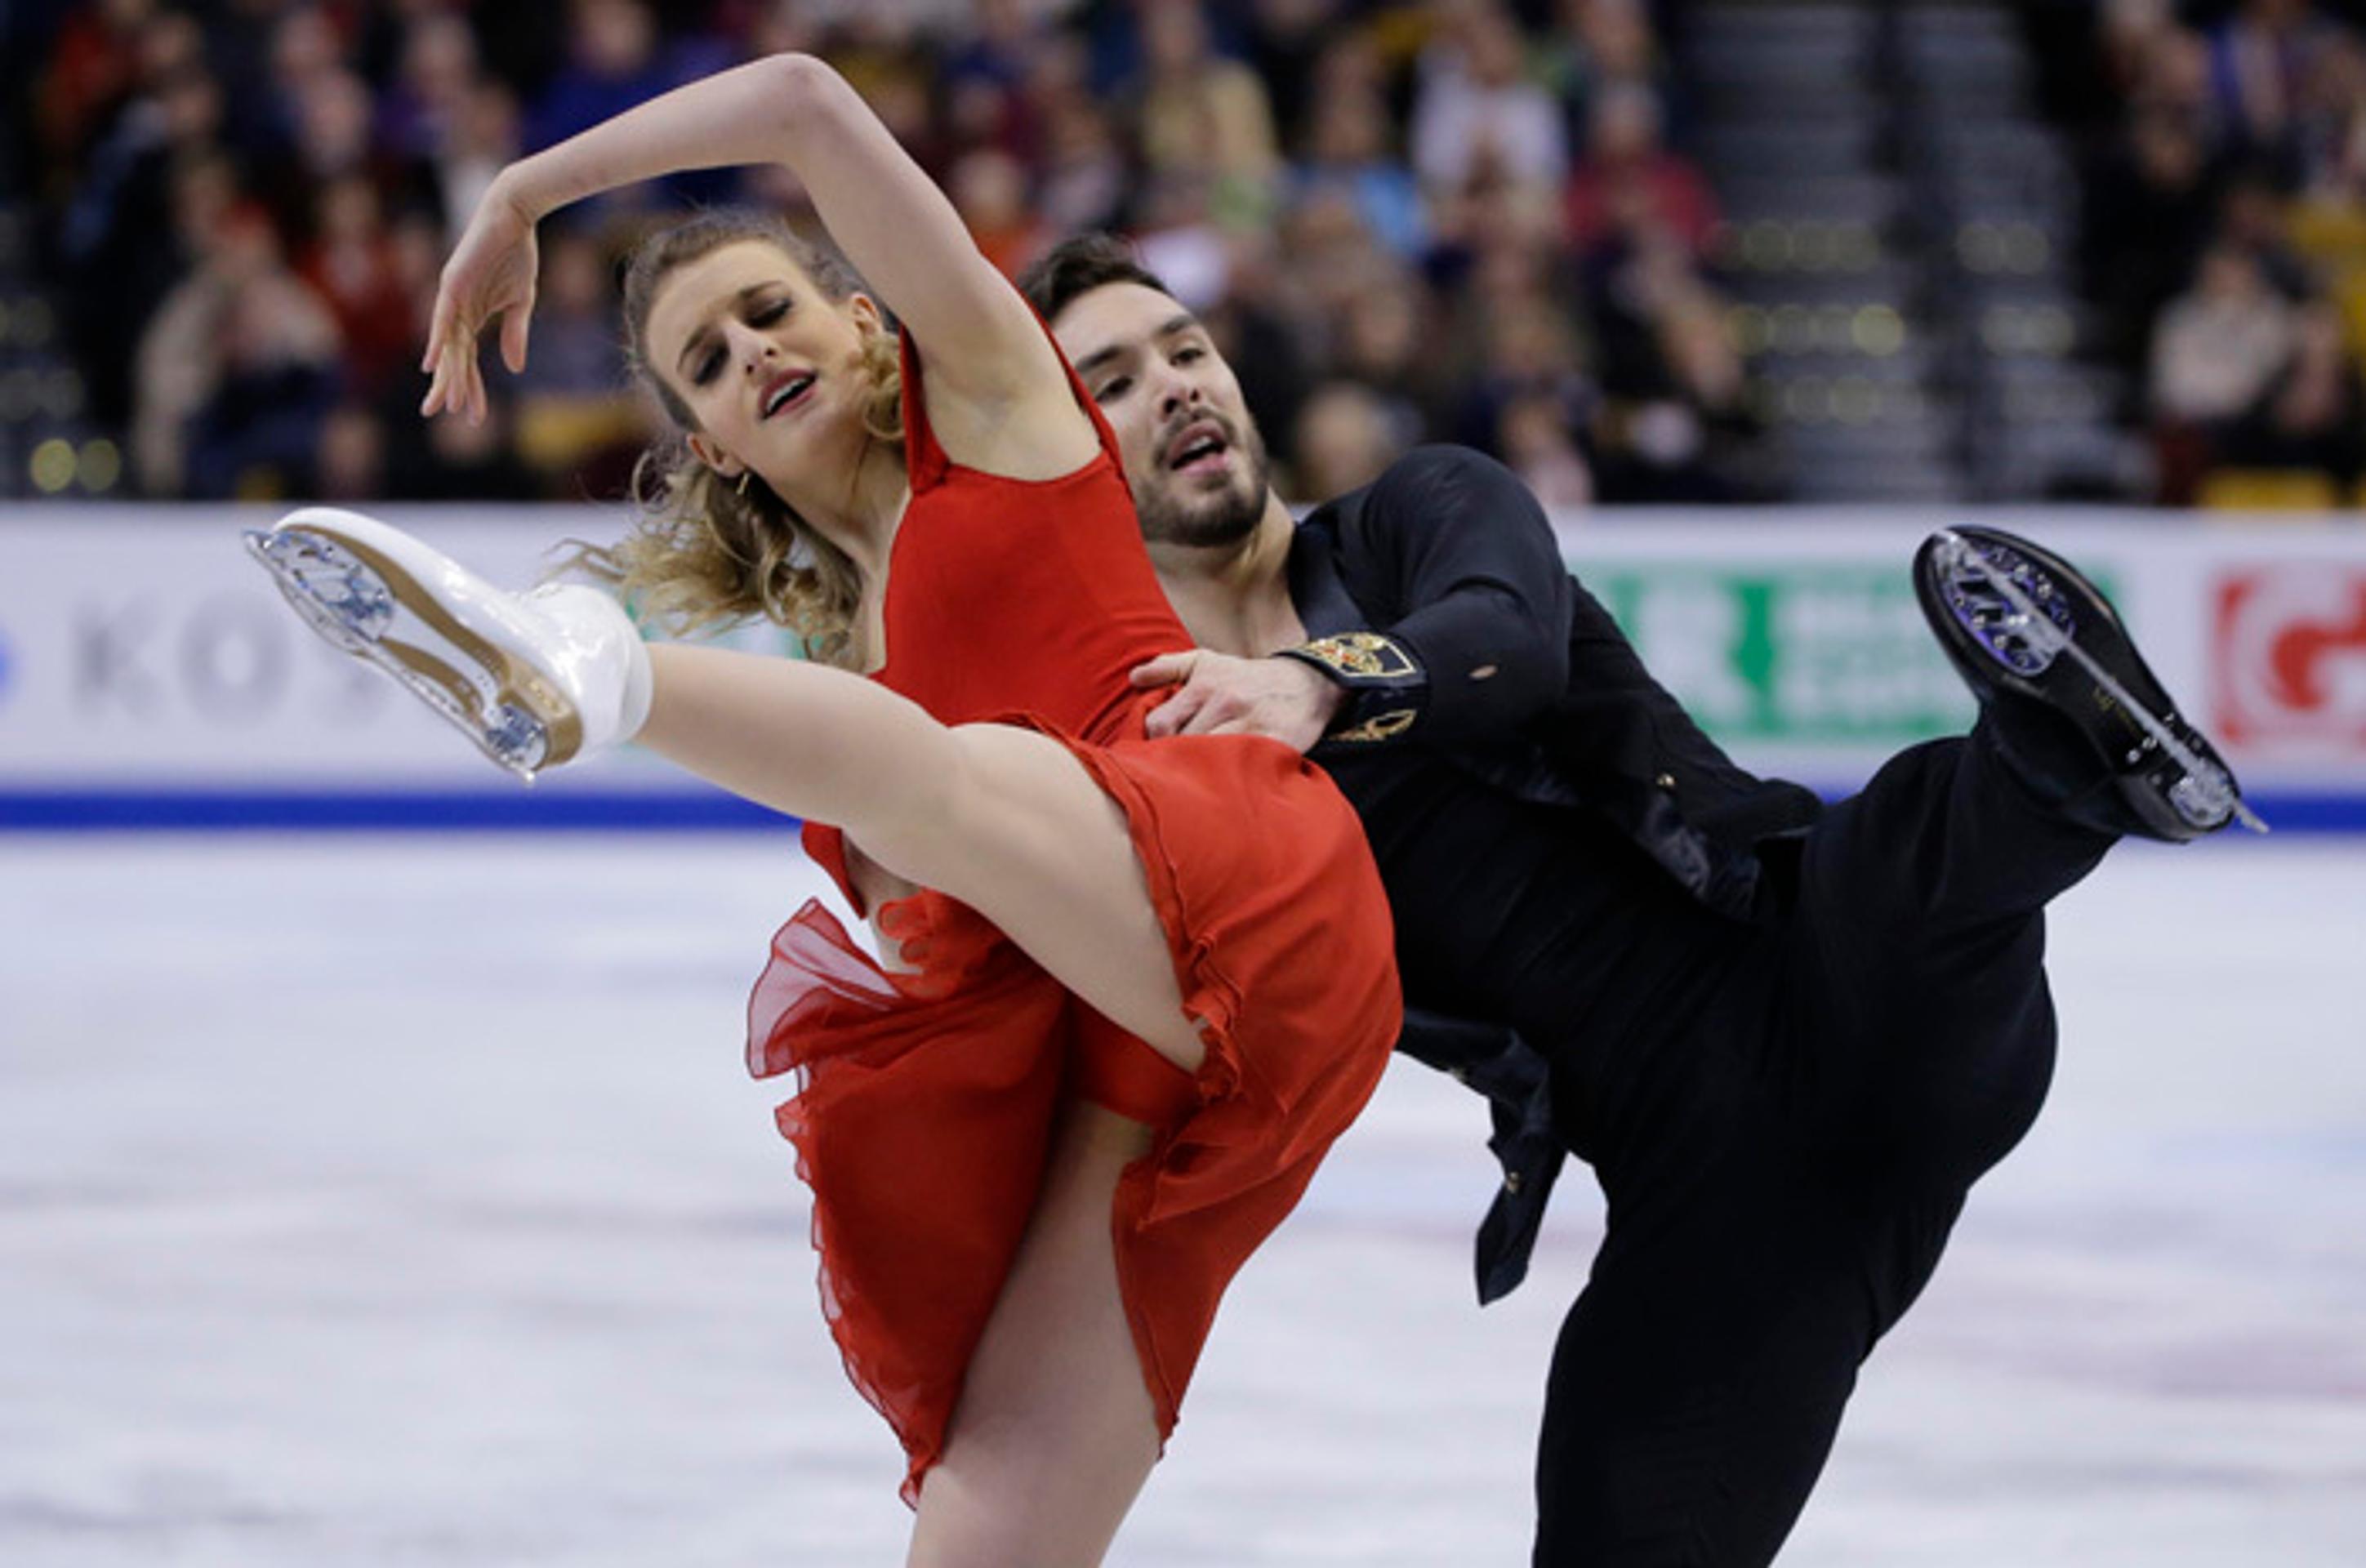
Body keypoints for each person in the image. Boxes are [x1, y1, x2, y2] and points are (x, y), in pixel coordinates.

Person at [246, 55, 1402, 1568]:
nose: (748, 353)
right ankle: (590, 675)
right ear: (713, 445)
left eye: (768, 312)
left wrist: (523, 189)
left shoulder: (994, 400)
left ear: (865, 322)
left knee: (931, 783)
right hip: (1133, 1071)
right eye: (708, 364)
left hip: (1247, 880)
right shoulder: (833, 671)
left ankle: (592, 674)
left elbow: (798, 98)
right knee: (984, 1519)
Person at [1019, 234, 2259, 1567]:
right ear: (1057, 451)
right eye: (1112, 379)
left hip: (1809, 964)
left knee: (1903, 850)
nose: (1176, 385)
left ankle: (2062, 764)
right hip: (1710, 1195)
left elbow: (1505, 629)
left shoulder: (1418, 514)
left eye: (1186, 349)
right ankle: (2056, 770)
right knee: (1616, 1513)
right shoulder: (1152, 748)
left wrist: (1324, 682)